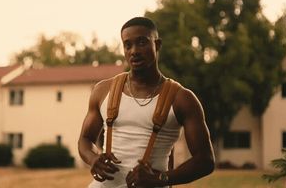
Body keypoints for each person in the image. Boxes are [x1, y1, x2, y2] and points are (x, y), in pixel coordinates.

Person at [78, 17, 215, 188]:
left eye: (142, 42)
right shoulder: (103, 90)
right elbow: (85, 139)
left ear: (157, 45)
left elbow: (205, 161)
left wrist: (160, 179)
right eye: (128, 45)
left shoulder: (182, 99)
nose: (134, 50)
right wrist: (93, 159)